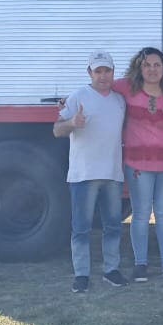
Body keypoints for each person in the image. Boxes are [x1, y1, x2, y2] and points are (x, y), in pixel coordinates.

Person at [54, 50, 128, 293]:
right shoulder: (78, 96)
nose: (103, 76)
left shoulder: (119, 100)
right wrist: (71, 123)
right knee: (81, 227)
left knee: (113, 225)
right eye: (98, 71)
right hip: (84, 174)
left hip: (112, 173)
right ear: (89, 72)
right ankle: (81, 274)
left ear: (113, 72)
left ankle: (111, 270)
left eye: (107, 71)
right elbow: (56, 130)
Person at [112, 47, 163, 282]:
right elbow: (98, 88)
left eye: (157, 65)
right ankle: (140, 265)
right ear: (139, 68)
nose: (152, 69)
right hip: (137, 165)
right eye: (147, 65)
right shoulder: (126, 88)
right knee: (141, 215)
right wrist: (71, 101)